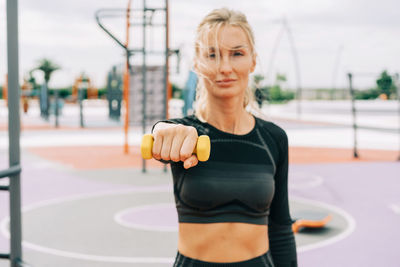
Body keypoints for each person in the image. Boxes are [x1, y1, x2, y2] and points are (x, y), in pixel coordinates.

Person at [151, 8, 297, 267]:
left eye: (237, 53)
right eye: (212, 55)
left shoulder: (273, 138)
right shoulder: (184, 135)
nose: (225, 67)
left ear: (253, 61)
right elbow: (163, 133)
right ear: (197, 63)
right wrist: (160, 130)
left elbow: (281, 228)